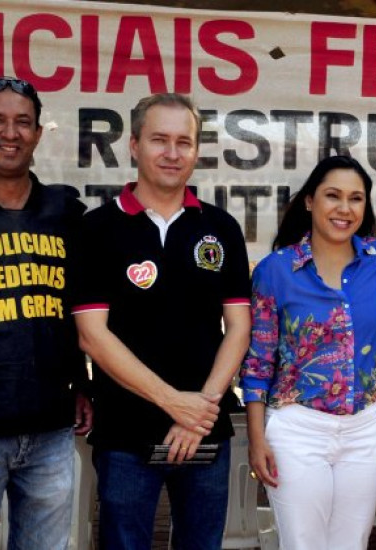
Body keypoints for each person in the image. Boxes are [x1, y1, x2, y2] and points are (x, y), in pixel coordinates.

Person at [71, 93, 251, 549]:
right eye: (159, 140)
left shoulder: (221, 228)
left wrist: (198, 412)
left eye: (183, 142)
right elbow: (93, 337)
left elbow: (240, 328)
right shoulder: (97, 229)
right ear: (133, 145)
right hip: (126, 432)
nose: (172, 153)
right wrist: (174, 402)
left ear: (196, 151)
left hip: (205, 430)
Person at [0, 77, 92, 550]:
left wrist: (83, 385)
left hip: (50, 429)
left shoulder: (64, 210)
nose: (11, 133)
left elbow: (78, 310)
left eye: (23, 122)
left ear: (39, 133)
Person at [240, 155, 376, 550]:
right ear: (310, 201)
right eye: (333, 196)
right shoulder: (275, 270)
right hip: (297, 429)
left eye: (356, 198)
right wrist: (257, 439)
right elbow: (257, 362)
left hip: (366, 428)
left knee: (352, 543)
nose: (344, 209)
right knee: (303, 543)